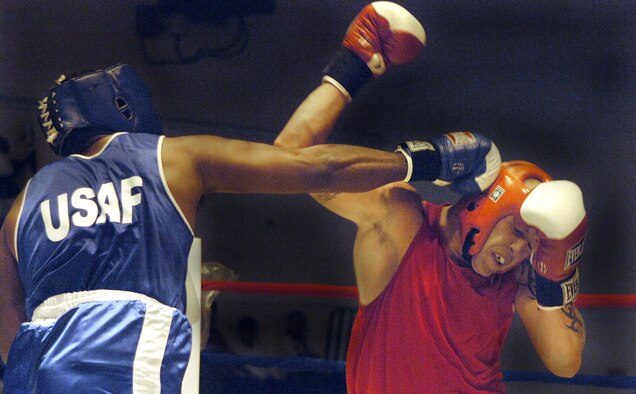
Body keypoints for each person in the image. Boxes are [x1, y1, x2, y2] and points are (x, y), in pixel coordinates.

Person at [0, 11, 433, 391]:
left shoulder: (22, 205)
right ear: (121, 103)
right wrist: (417, 162)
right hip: (125, 348)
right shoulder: (171, 158)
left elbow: (7, 329)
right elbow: (314, 168)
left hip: (34, 365)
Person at [274, 2, 588, 392]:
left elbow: (565, 363)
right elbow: (289, 160)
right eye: (519, 232)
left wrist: (557, 270)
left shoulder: (520, 274)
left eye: (531, 246)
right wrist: (353, 68)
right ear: (487, 204)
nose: (519, 251)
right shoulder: (403, 222)